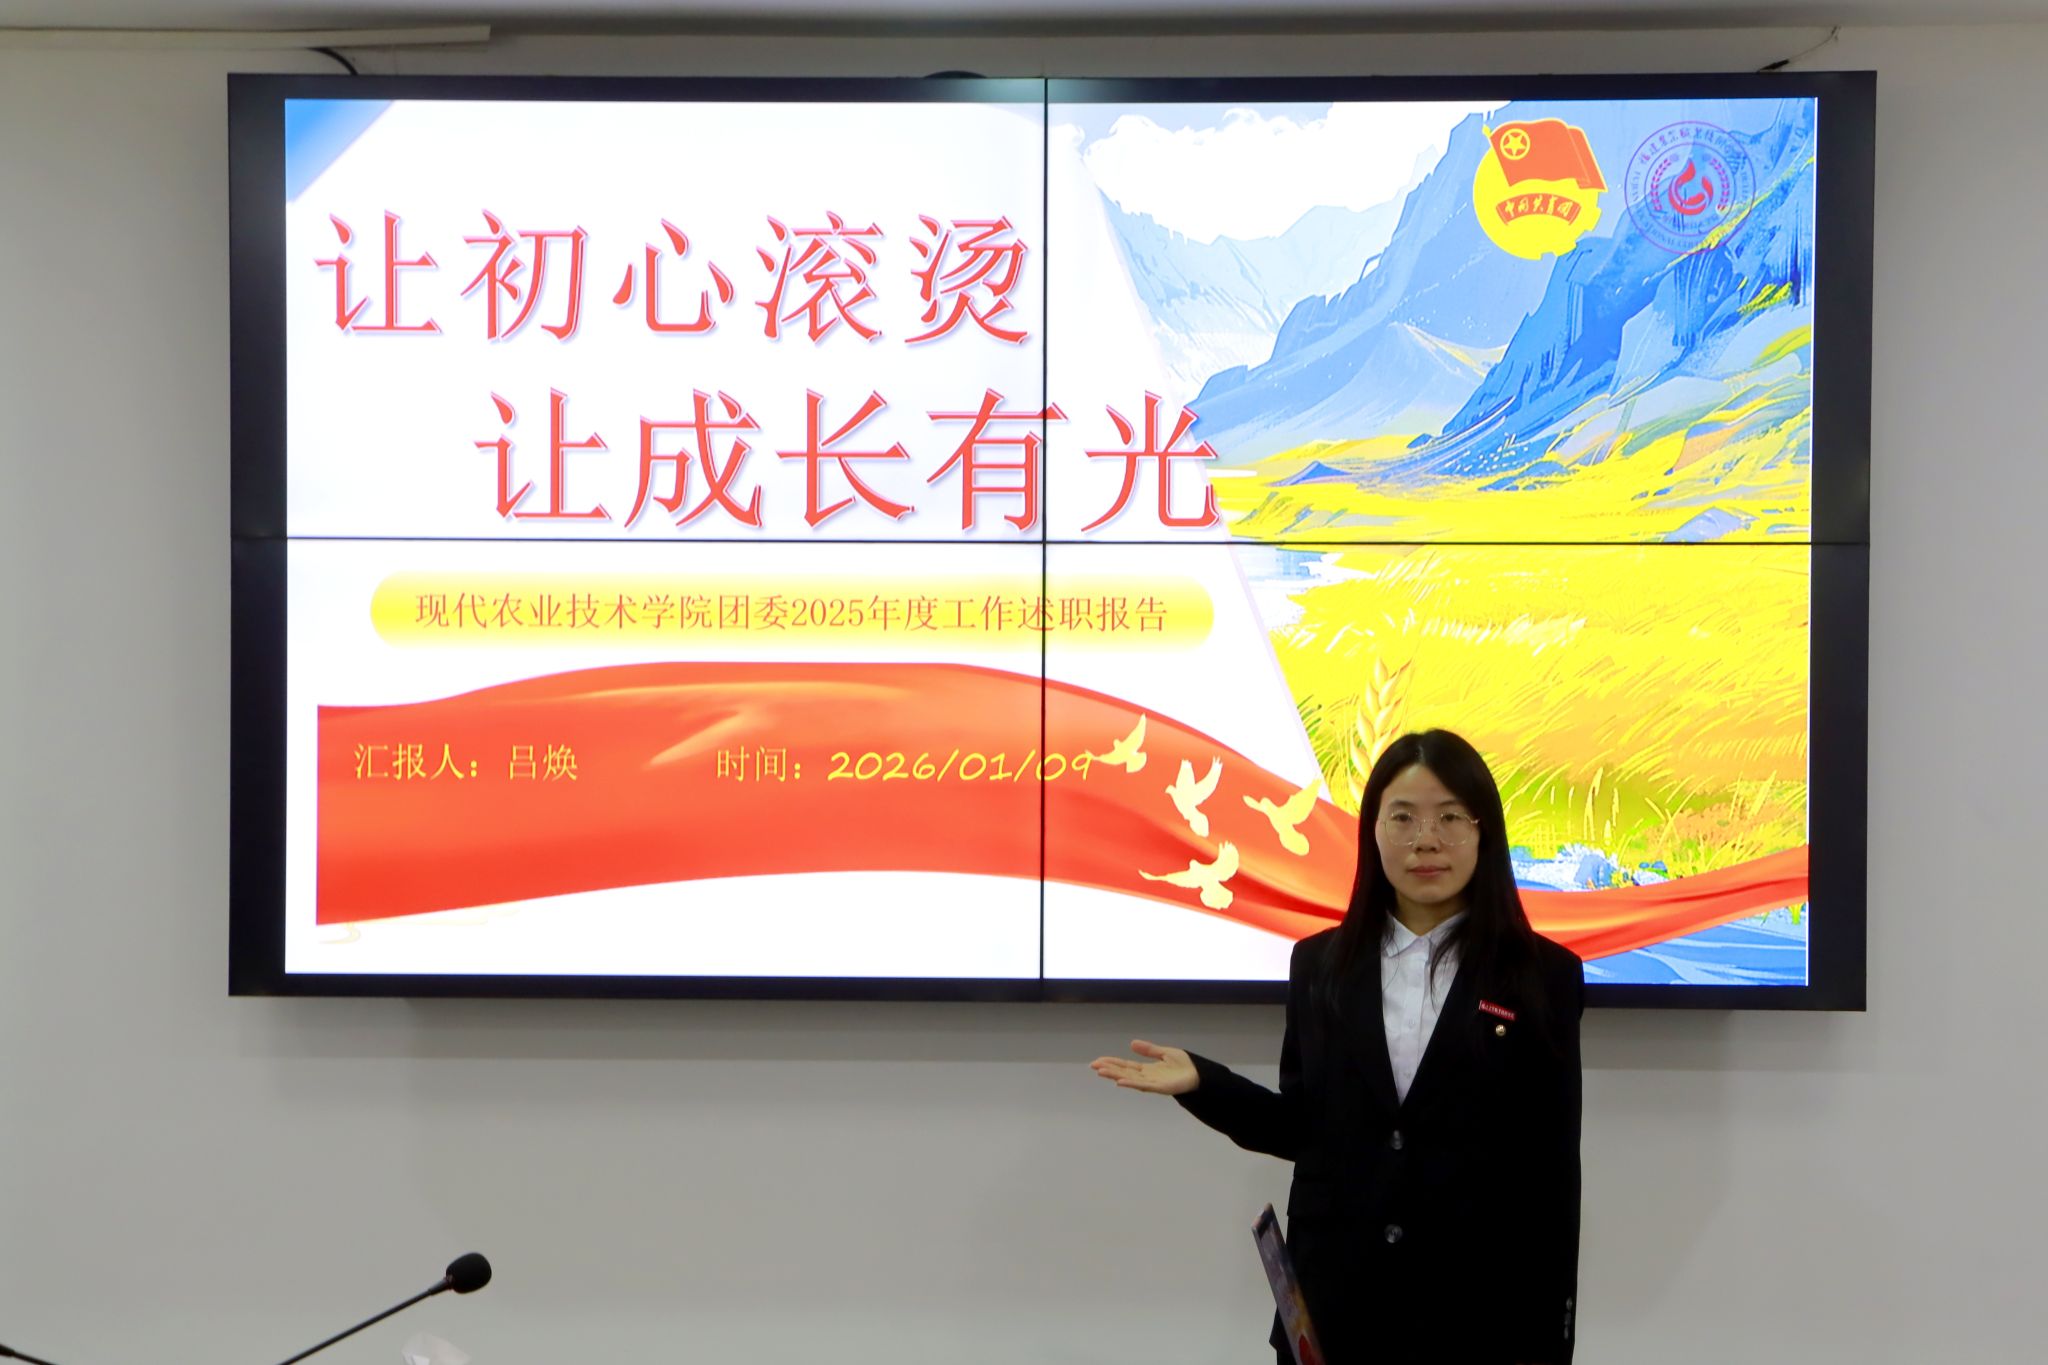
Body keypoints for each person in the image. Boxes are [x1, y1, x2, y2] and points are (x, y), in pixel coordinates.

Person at [1091, 729, 1584, 1365]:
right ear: (1372, 831)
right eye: (1402, 818)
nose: (1425, 840)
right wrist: (1206, 1084)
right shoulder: (1320, 964)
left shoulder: (1543, 975)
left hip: (1477, 1317)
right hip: (1337, 1309)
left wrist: (1552, 1337)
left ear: (1483, 832)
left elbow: (1551, 1174)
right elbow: (1305, 1129)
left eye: (1450, 818)